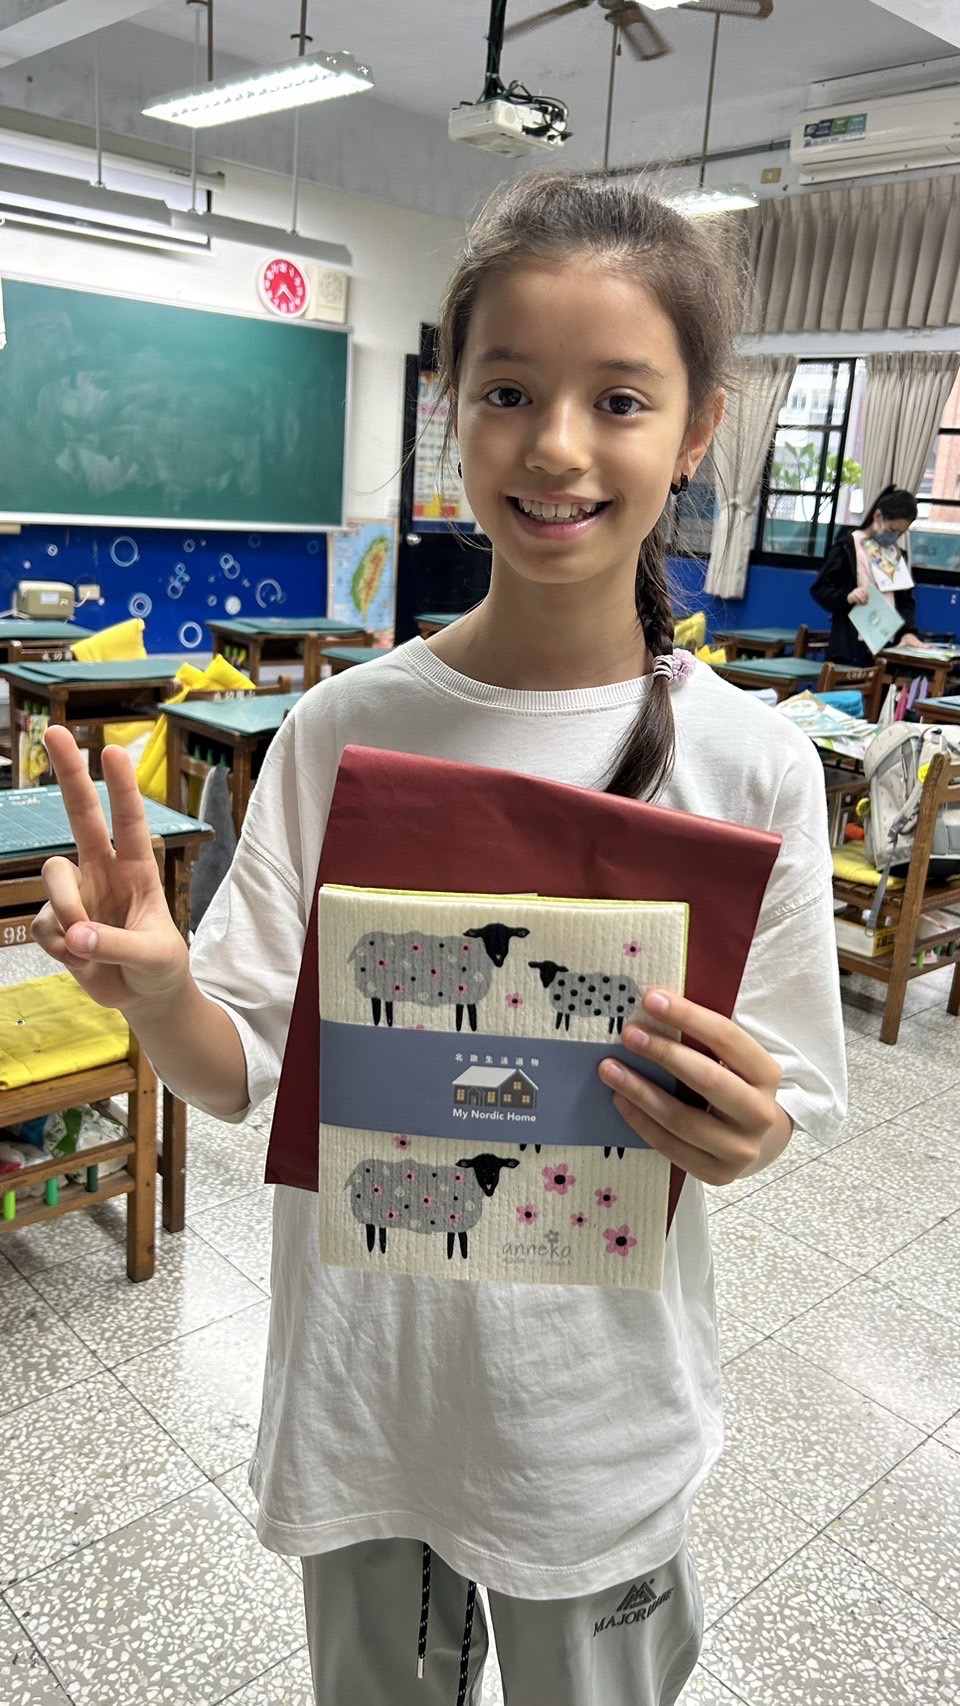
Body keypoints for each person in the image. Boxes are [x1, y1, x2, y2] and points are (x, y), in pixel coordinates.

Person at [33, 173, 846, 1706]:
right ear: (451, 414)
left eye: (620, 399)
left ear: (698, 431)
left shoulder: (755, 766)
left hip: (593, 1422)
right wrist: (161, 991)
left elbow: (784, 1092)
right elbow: (235, 1071)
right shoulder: (342, 730)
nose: (556, 445)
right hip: (369, 1398)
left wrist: (746, 1127)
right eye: (508, 391)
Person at [810, 484, 924, 664]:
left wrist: (908, 632)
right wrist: (847, 597)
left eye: (900, 533)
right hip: (852, 645)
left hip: (887, 644)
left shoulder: (896, 555)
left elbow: (906, 601)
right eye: (892, 530)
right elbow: (819, 589)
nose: (895, 537)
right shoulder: (847, 546)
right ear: (878, 516)